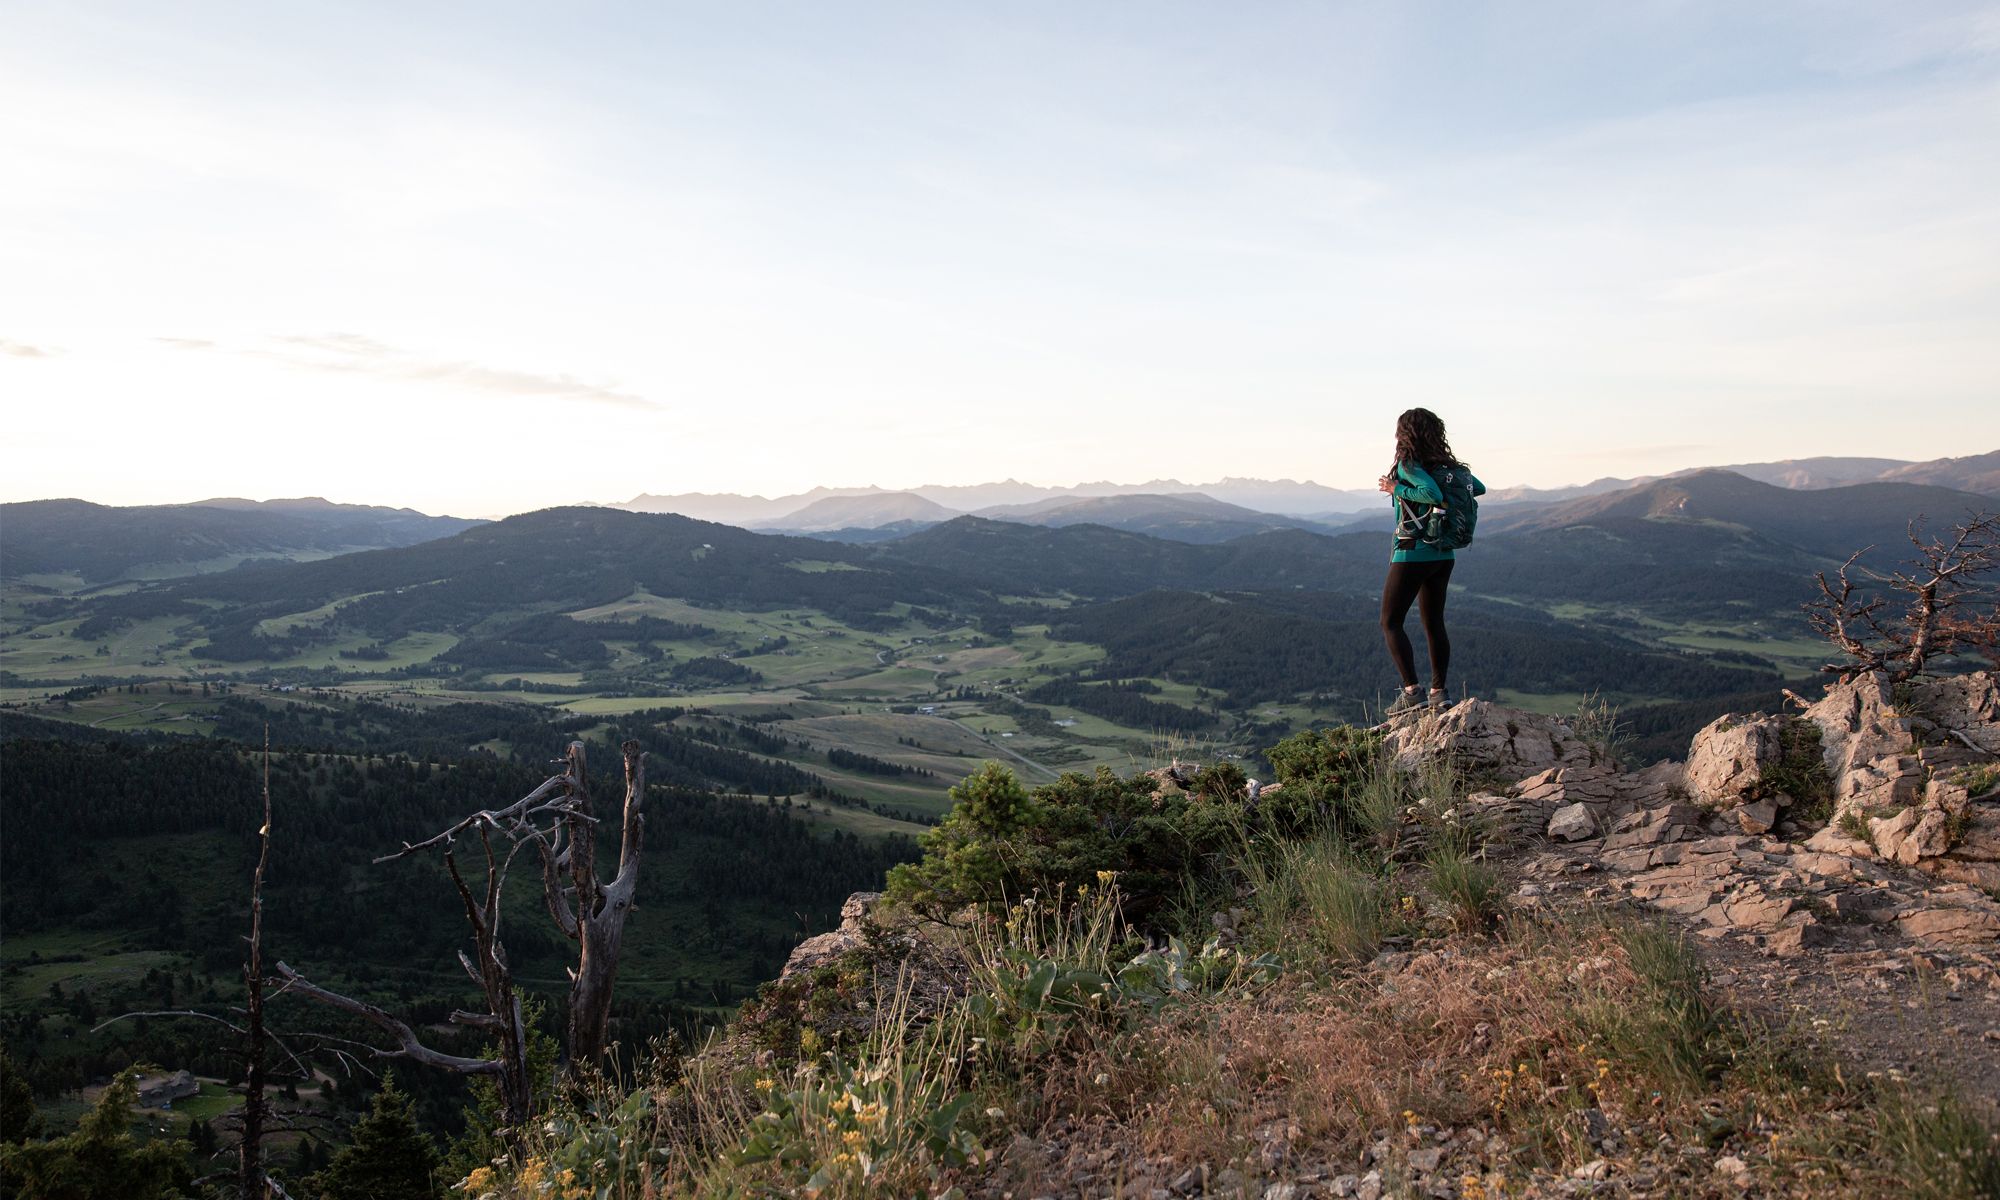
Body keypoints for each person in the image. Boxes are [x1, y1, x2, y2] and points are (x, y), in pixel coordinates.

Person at [1375, 408, 1484, 716]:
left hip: (1413, 552)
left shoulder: (1410, 465)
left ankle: (1412, 693)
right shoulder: (1451, 468)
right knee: (1433, 622)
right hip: (1443, 554)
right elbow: (1478, 488)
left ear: (1405, 434)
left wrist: (1395, 488)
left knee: (1390, 621)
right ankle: (1439, 693)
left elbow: (1431, 493)